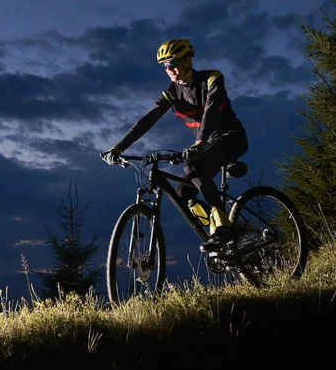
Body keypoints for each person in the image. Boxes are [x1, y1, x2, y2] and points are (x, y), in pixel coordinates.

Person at [101, 38, 248, 252]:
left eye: (173, 63)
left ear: (188, 60)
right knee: (182, 195)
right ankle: (227, 234)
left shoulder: (211, 78)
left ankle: (223, 226)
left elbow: (211, 109)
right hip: (205, 145)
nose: (169, 69)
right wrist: (118, 148)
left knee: (193, 167)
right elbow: (145, 121)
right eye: (165, 66)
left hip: (231, 137)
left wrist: (199, 142)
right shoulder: (170, 94)